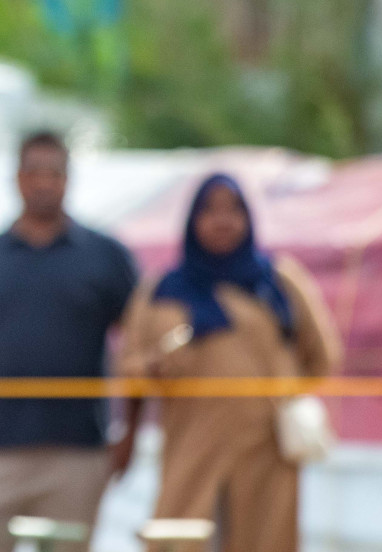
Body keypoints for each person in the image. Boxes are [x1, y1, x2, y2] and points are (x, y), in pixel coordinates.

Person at [0, 132, 139, 552]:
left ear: (68, 179)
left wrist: (127, 436)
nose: (43, 182)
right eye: (34, 172)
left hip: (75, 455)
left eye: (53, 173)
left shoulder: (105, 256)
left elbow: (138, 352)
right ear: (17, 179)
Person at [119, 173, 342, 552]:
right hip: (191, 444)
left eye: (233, 209)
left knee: (264, 540)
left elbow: (322, 358)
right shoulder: (162, 289)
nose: (222, 220)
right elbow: (130, 364)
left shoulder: (278, 282)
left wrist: (278, 392)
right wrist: (152, 369)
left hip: (265, 448)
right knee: (180, 536)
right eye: (210, 210)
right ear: (192, 220)